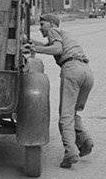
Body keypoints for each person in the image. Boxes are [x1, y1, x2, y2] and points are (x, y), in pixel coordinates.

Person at [26, 12, 94, 168]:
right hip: (86, 72)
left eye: (42, 24)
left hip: (72, 70)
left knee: (65, 116)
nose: (41, 29)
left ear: (51, 24)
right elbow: (50, 46)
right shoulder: (64, 34)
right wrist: (31, 43)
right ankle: (85, 141)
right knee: (73, 112)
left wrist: (35, 49)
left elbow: (57, 49)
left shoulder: (53, 31)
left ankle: (71, 153)